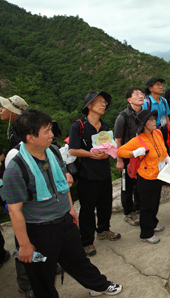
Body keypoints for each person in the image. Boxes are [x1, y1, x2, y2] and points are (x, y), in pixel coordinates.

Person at [2, 108, 122, 297]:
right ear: (30, 137)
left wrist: (71, 209)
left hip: (64, 220)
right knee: (42, 275)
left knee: (78, 259)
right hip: (39, 229)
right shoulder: (16, 168)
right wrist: (24, 244)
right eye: (47, 131)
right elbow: (15, 211)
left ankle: (98, 285)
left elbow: (62, 184)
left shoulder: (52, 152)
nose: (52, 135)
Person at [69, 91, 121, 257]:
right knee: (88, 209)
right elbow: (73, 150)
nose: (103, 104)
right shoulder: (78, 126)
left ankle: (103, 230)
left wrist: (106, 155)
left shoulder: (104, 126)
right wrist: (91, 154)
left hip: (104, 171)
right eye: (99, 101)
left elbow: (110, 147)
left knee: (105, 205)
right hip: (87, 174)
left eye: (104, 102)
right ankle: (86, 241)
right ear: (89, 106)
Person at [117, 110, 170, 244]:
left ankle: (153, 223)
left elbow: (163, 150)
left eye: (154, 118)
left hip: (159, 174)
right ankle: (146, 233)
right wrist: (134, 153)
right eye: (150, 119)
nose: (154, 120)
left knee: (155, 203)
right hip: (146, 178)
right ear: (143, 124)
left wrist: (168, 159)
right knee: (147, 206)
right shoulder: (138, 140)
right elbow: (120, 151)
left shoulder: (157, 133)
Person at [0, 95, 33, 297]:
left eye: (3, 108)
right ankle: (25, 281)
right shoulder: (16, 132)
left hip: (23, 194)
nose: (0, 111)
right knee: (23, 237)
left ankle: (28, 278)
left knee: (28, 235)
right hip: (19, 194)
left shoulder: (19, 133)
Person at [114, 87, 144, 227]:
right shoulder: (123, 117)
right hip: (127, 157)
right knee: (127, 186)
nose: (141, 96)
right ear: (129, 99)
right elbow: (118, 141)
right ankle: (128, 212)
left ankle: (138, 208)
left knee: (140, 184)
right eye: (136, 94)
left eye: (141, 94)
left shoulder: (144, 114)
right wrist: (119, 160)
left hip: (141, 157)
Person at [142, 77, 170, 143]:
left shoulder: (164, 101)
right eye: (158, 85)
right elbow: (143, 121)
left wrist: (169, 131)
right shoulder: (146, 103)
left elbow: (166, 116)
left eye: (161, 85)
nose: (161, 87)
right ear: (150, 88)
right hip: (152, 132)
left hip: (163, 130)